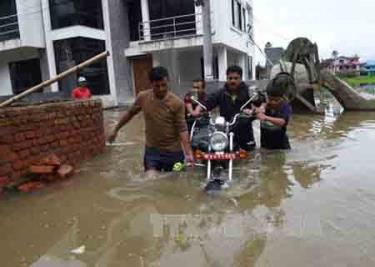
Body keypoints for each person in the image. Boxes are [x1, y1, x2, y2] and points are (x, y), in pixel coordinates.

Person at [108, 66, 194, 172]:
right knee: (150, 180)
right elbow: (130, 114)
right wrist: (115, 130)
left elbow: (182, 129)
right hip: (152, 151)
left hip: (174, 152)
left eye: (164, 85)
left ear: (168, 82)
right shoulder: (143, 97)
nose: (161, 89)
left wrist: (188, 153)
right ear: (151, 84)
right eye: (156, 86)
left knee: (174, 181)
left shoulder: (177, 103)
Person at [195, 65, 257, 151]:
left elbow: (260, 102)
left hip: (245, 132)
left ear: (241, 78)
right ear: (226, 78)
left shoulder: (248, 91)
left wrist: (254, 111)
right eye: (230, 78)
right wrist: (198, 110)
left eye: (236, 78)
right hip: (226, 130)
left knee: (249, 158)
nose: (232, 81)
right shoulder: (220, 93)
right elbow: (207, 102)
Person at [256, 73, 293, 150]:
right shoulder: (264, 103)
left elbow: (282, 122)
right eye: (270, 99)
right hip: (265, 144)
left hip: (281, 146)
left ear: (284, 98)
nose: (273, 102)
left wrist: (265, 117)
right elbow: (255, 107)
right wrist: (256, 110)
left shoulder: (286, 107)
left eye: (276, 100)